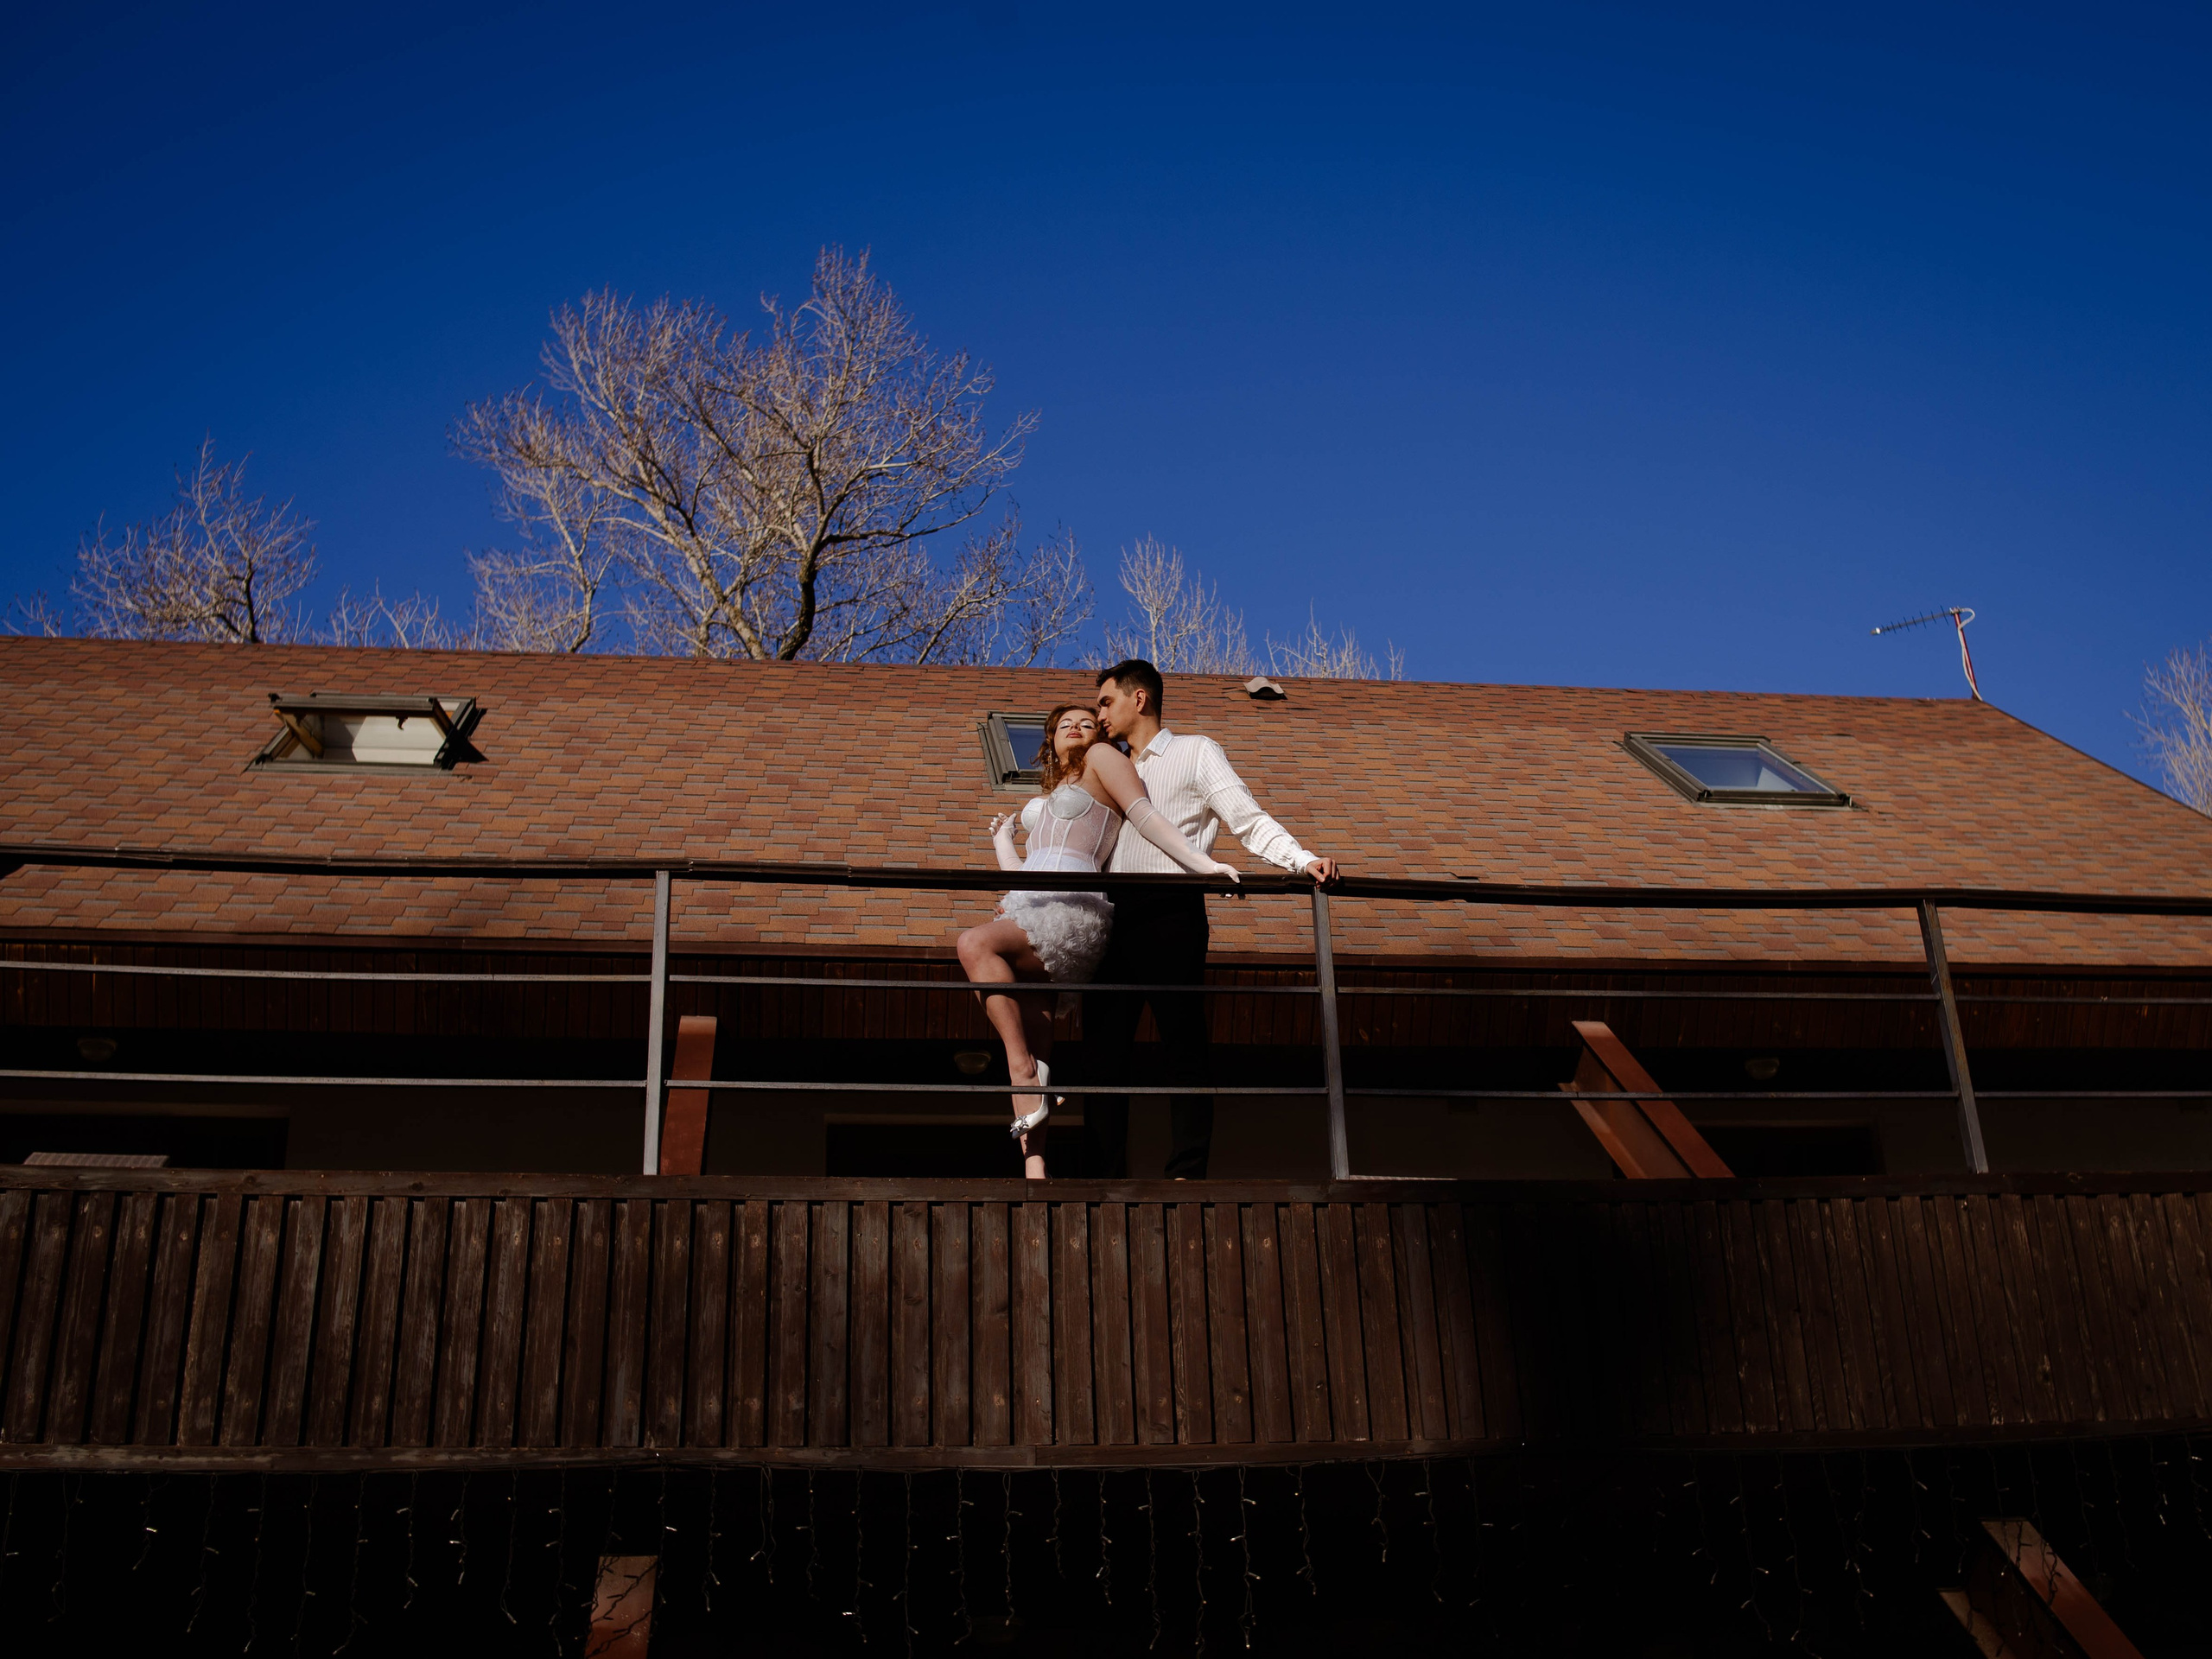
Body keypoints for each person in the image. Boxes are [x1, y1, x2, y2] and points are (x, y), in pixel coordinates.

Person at [956, 702, 1240, 1179]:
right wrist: (1003, 843)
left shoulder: (1104, 759)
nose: (1078, 728)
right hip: (1034, 907)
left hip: (1072, 911)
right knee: (1039, 1044)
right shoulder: (1054, 791)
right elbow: (1028, 873)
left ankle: (1020, 1065)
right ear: (1050, 739)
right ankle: (1036, 1169)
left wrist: (1202, 864)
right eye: (1065, 724)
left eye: (1088, 722)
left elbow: (1144, 815)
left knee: (973, 945)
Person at [1082, 660, 1339, 1179]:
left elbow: (1246, 818)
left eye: (1106, 702)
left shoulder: (1195, 752)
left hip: (1172, 911)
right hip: (1110, 917)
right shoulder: (1108, 766)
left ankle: (1188, 1169)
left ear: (1140, 700)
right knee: (1102, 1053)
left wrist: (1301, 859)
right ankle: (1101, 1173)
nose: (1098, 713)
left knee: (1182, 1044)